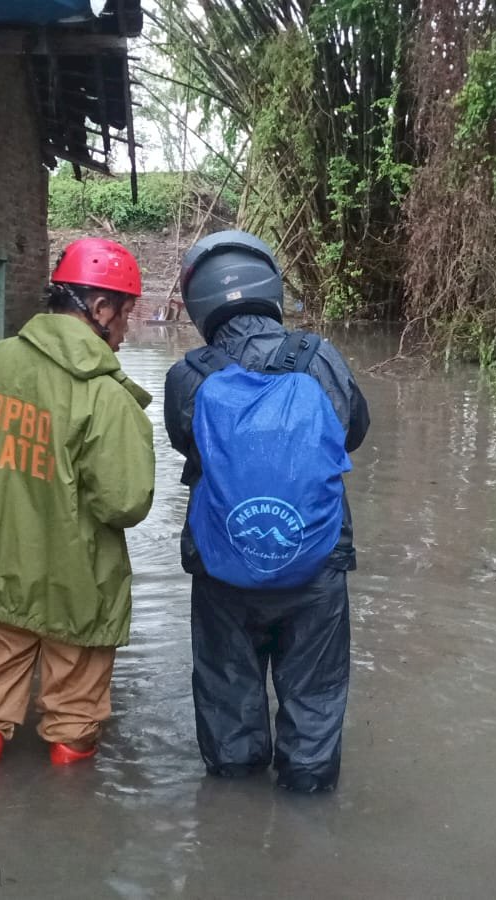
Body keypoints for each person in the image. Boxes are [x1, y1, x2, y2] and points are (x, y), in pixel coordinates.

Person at [164, 230, 370, 793]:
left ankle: (229, 809)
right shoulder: (319, 358)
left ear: (199, 302)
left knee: (226, 696)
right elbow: (352, 432)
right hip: (316, 564)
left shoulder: (189, 376)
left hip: (223, 567)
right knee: (315, 693)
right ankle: (307, 806)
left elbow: (187, 444)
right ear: (271, 287)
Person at [0, 238, 156, 775]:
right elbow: (125, 503)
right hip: (79, 582)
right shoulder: (106, 396)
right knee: (74, 715)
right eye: (126, 314)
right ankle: (69, 816)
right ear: (101, 308)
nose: (126, 329)